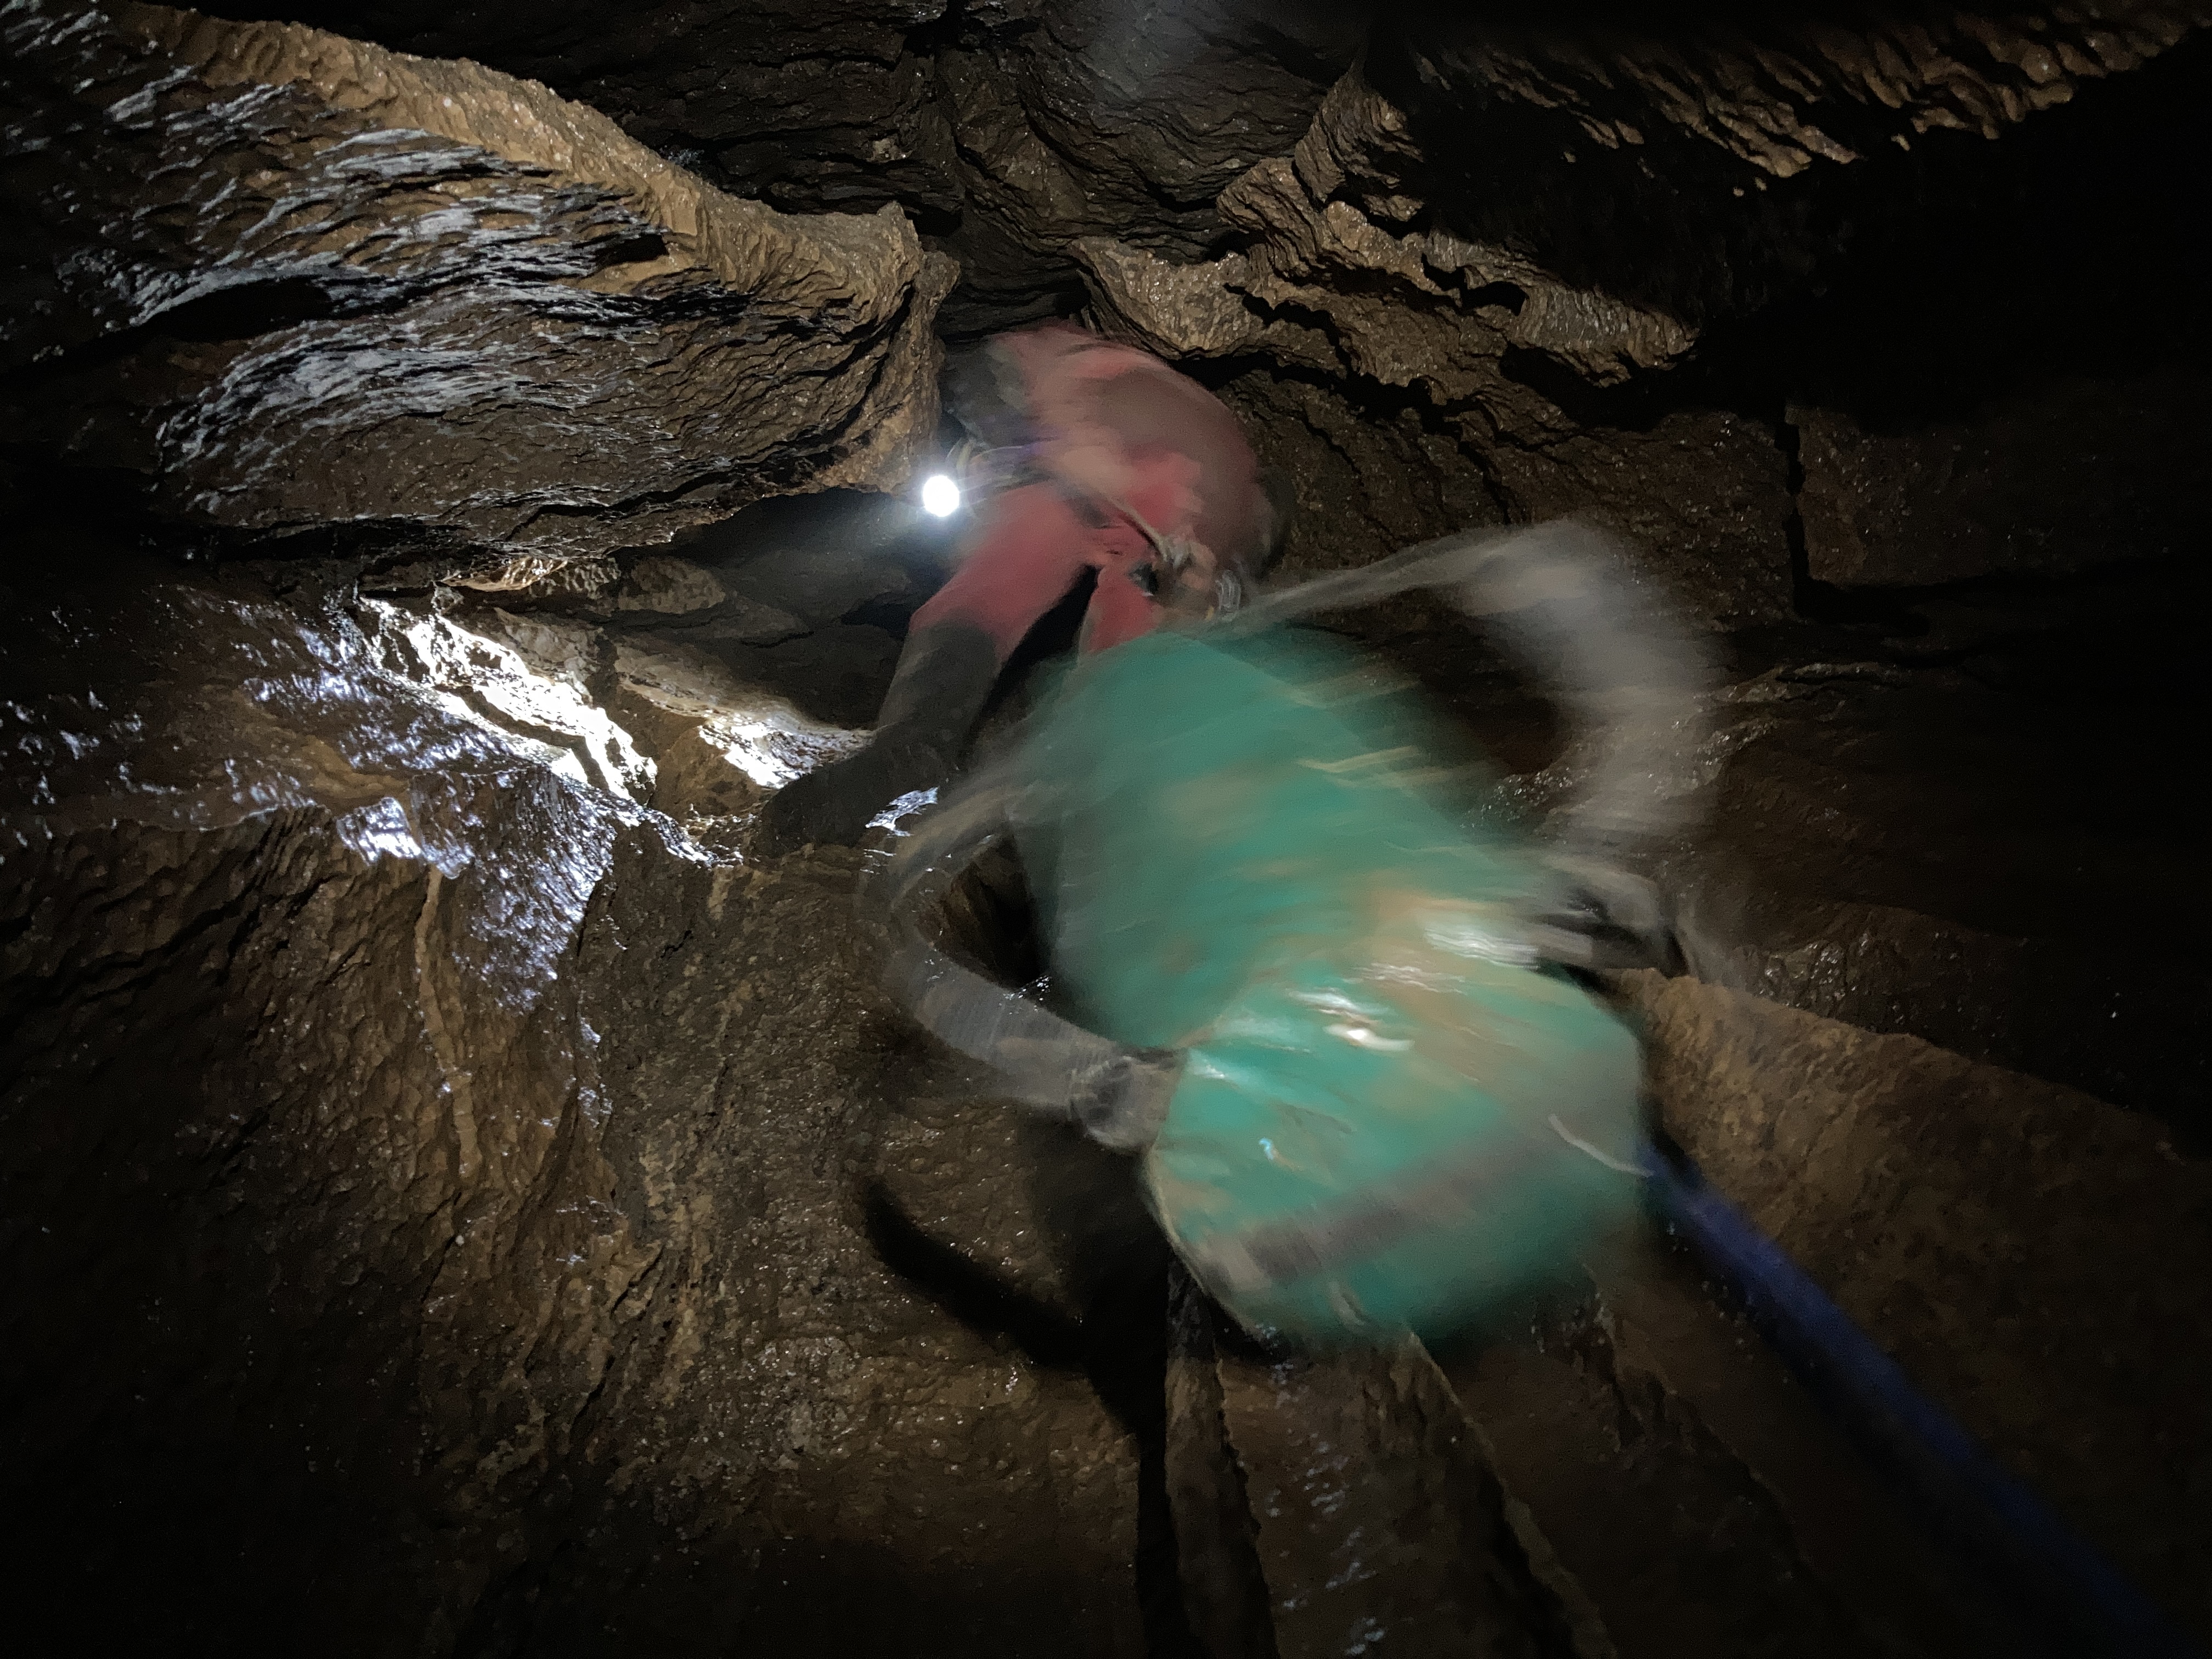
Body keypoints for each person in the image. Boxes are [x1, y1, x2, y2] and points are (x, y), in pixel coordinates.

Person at [757, 323, 1285, 854]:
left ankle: (924, 749)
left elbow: (980, 376)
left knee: (1013, 600)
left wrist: (1016, 447)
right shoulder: (1062, 460)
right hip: (1173, 491)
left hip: (1157, 464)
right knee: (1101, 647)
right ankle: (1083, 797)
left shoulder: (1041, 368)